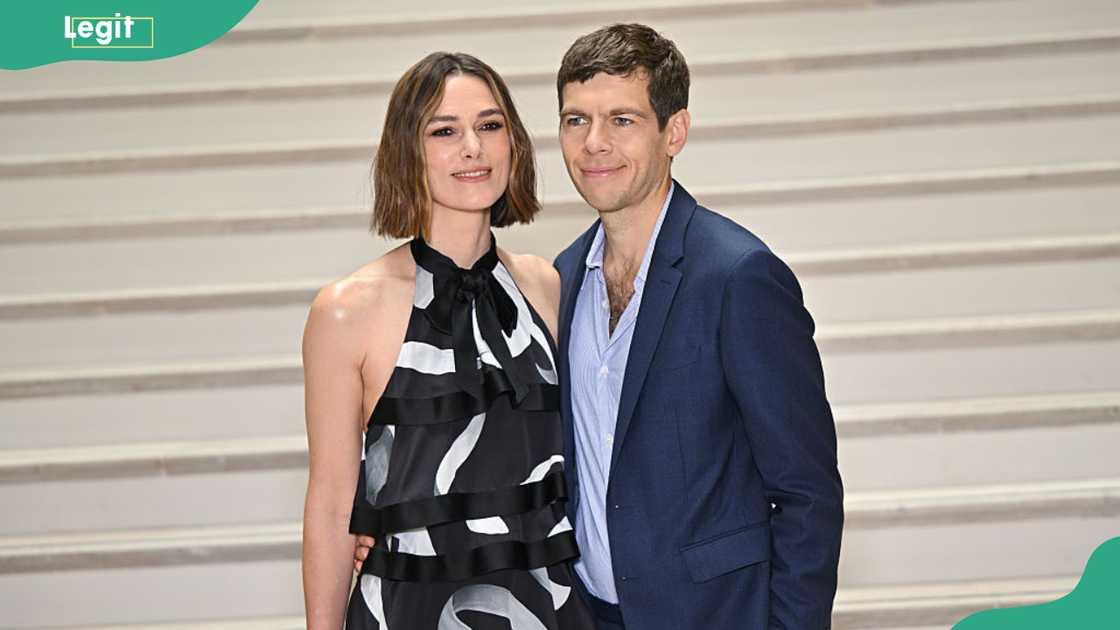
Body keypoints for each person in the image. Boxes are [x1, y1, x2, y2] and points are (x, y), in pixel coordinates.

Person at [358, 24, 845, 629]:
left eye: (622, 120)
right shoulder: (560, 281)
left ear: (675, 132)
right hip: (585, 613)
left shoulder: (738, 275)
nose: (594, 144)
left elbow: (806, 492)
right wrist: (386, 519)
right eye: (575, 121)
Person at [303, 52, 595, 629]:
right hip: (407, 609)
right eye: (445, 131)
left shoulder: (547, 285)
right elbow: (331, 503)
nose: (473, 148)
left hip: (547, 608)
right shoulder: (345, 310)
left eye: (490, 126)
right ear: (408, 152)